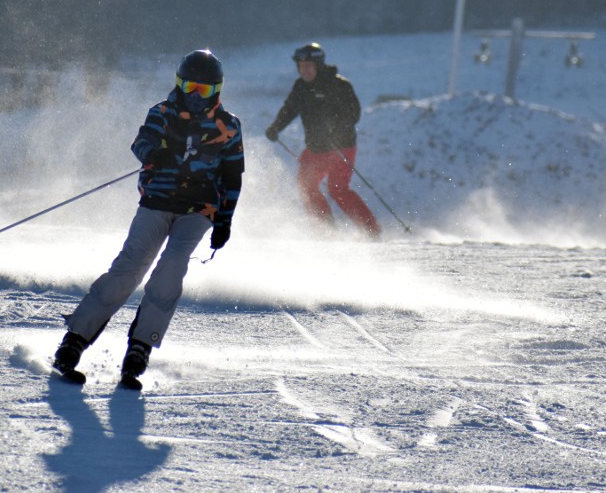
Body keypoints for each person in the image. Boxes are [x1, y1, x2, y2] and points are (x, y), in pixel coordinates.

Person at [53, 49, 244, 390]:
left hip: (199, 210)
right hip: (157, 201)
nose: (194, 96)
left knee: (171, 268)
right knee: (130, 267)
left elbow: (232, 178)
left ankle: (140, 347)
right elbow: (140, 142)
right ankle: (75, 339)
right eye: (189, 87)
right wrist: (154, 153)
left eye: (203, 90)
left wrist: (224, 221)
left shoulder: (228, 126)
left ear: (216, 91)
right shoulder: (163, 112)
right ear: (178, 84)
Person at [264, 42, 380, 237]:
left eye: (308, 66)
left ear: (319, 65)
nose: (305, 71)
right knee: (306, 186)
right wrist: (276, 127)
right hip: (315, 148)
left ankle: (371, 231)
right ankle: (326, 232)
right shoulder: (300, 87)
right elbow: (289, 109)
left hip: (340, 147)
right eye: (301, 67)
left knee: (338, 190)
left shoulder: (339, 85)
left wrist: (335, 129)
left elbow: (354, 114)